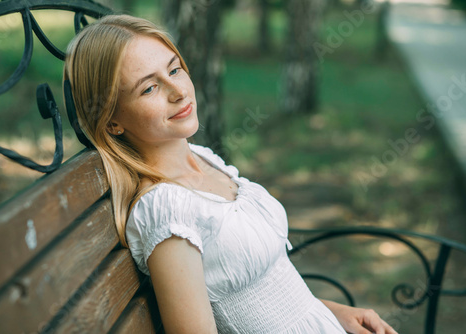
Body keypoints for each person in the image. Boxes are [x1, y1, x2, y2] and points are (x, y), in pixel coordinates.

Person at [64, 14, 398, 334]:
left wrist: (333, 313)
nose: (178, 91)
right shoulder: (166, 212)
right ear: (112, 121)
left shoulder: (202, 158)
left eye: (175, 69)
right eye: (149, 88)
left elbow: (262, 292)